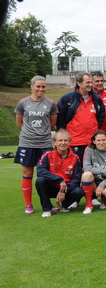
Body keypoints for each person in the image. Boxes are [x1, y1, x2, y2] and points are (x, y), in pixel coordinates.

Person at [14, 76, 58, 214]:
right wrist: (30, 134)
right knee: (27, 173)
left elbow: (52, 124)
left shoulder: (51, 103)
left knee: (46, 175)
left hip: (45, 143)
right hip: (27, 143)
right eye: (38, 86)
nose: (41, 89)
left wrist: (41, 134)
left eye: (43, 86)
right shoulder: (23, 103)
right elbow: (19, 123)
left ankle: (48, 203)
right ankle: (28, 205)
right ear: (31, 86)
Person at [56, 72, 106, 161]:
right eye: (87, 82)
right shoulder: (67, 98)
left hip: (91, 142)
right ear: (79, 83)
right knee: (75, 169)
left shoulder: (97, 99)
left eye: (91, 82)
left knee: (91, 170)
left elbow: (100, 118)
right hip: (74, 141)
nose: (90, 85)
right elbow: (60, 119)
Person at [36, 129, 84, 217]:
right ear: (54, 142)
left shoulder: (75, 158)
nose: (63, 143)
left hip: (67, 188)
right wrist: (59, 180)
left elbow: (76, 179)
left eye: (66, 140)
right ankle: (47, 209)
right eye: (60, 140)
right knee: (40, 180)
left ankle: (64, 205)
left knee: (79, 191)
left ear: (70, 142)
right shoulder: (47, 154)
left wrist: (64, 189)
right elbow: (40, 171)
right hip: (52, 186)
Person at [82, 130, 106, 212]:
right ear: (94, 141)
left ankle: (104, 201)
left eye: (103, 140)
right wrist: (104, 172)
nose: (101, 142)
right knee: (86, 175)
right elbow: (86, 168)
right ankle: (89, 205)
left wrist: (102, 185)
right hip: (93, 182)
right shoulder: (89, 150)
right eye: (98, 140)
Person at [91, 71, 106, 138]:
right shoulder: (87, 97)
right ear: (91, 82)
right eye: (97, 81)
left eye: (102, 81)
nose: (100, 83)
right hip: (92, 134)